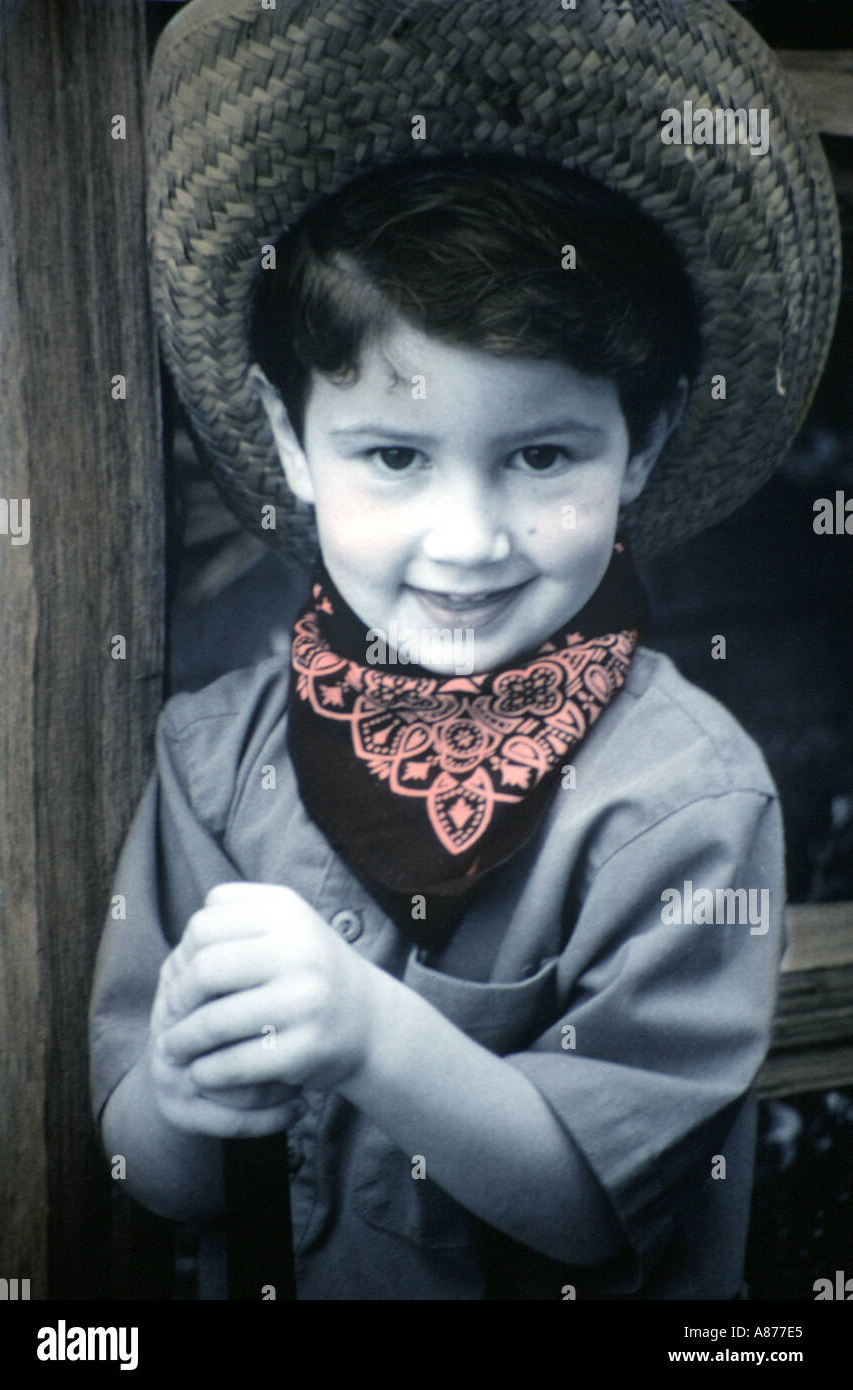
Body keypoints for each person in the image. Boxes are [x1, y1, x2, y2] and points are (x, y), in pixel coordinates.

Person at [88, 0, 840, 1300]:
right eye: (392, 454)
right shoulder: (216, 763)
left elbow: (589, 1210)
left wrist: (367, 1032)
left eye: (541, 454)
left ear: (642, 442)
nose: (466, 538)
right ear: (289, 441)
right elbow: (159, 1172)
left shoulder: (683, 802)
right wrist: (173, 1086)